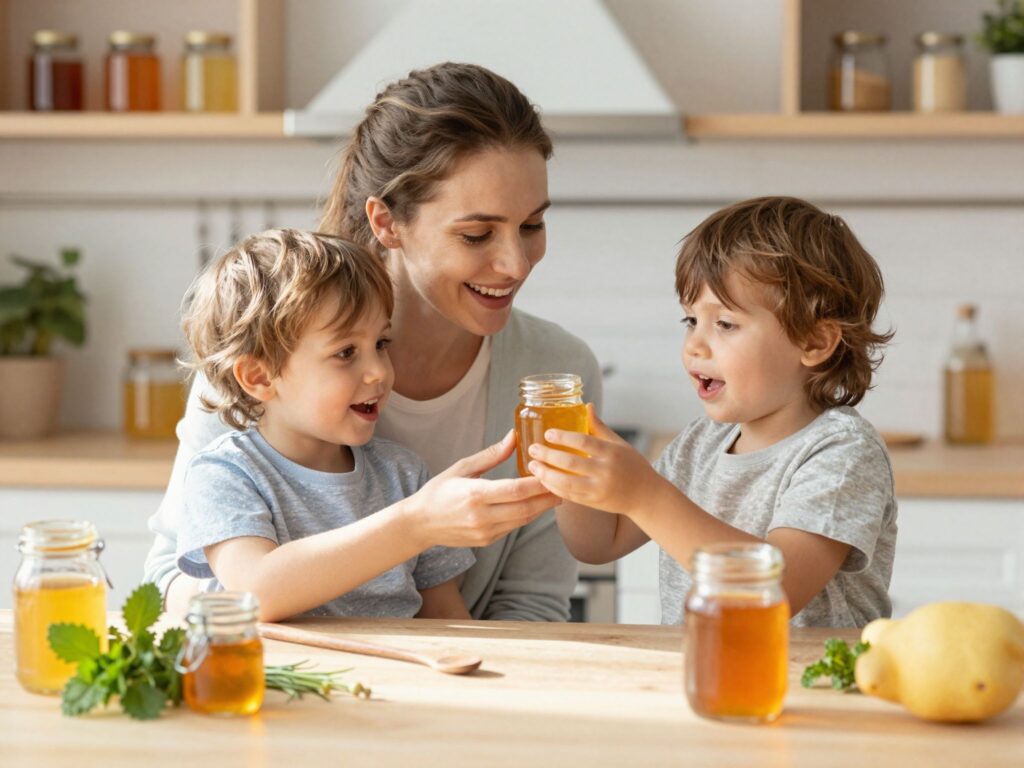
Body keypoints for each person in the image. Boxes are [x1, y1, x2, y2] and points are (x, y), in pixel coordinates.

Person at [145, 62, 601, 620]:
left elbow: (529, 605)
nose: (515, 263)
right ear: (386, 223)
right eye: (477, 233)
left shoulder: (556, 372)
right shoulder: (271, 345)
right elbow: (171, 578)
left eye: (532, 226)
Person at [528, 197, 897, 627]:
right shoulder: (700, 443)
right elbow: (597, 544)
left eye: (724, 324)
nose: (695, 346)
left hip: (809, 687)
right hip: (705, 679)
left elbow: (771, 594)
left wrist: (645, 494)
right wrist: (571, 478)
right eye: (691, 321)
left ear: (814, 342)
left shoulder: (841, 454)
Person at [176, 229, 496, 620]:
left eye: (381, 344)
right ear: (259, 377)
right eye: (346, 352)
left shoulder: (404, 476)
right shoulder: (225, 475)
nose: (379, 372)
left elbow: (448, 621)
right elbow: (255, 592)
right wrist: (414, 524)